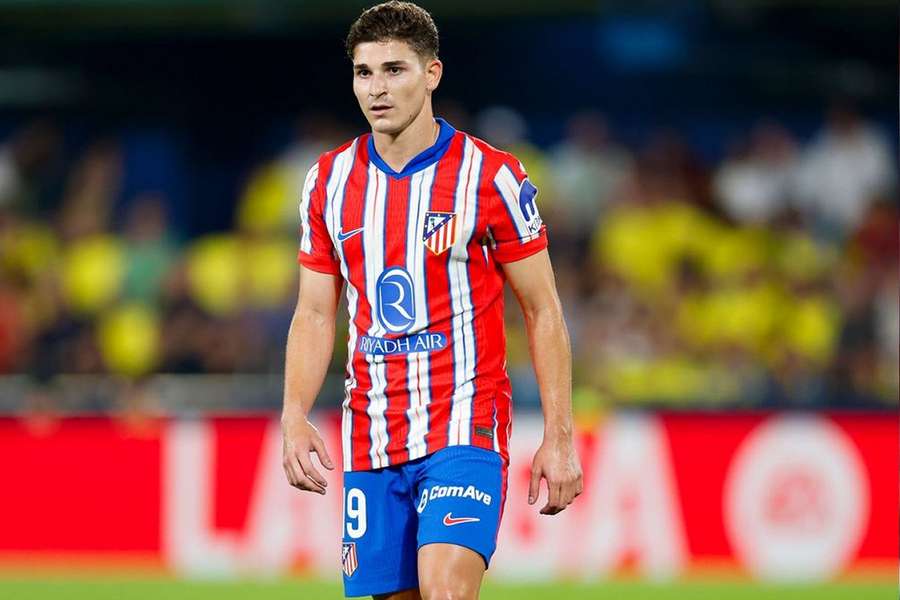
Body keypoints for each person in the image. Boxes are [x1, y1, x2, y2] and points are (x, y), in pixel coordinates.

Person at [280, 2, 582, 598]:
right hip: (371, 430)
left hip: (464, 424)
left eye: (395, 70)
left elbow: (543, 309)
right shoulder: (327, 182)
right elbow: (314, 312)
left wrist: (559, 435)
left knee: (445, 590)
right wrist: (293, 414)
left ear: (432, 74)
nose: (378, 89)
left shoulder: (490, 176)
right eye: (365, 73)